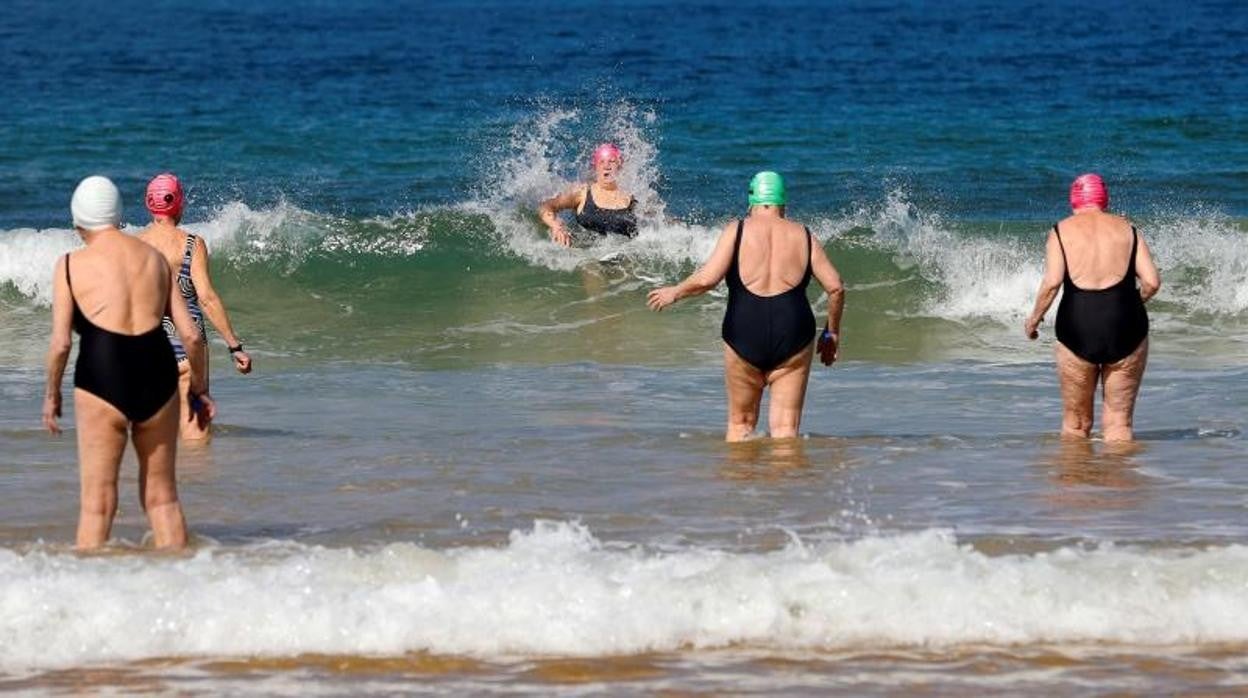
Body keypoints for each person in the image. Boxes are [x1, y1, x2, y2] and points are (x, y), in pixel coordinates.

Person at [43, 175, 214, 550]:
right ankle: (184, 588)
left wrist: (52, 394)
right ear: (119, 215)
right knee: (163, 499)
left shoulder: (69, 265)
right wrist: (199, 390)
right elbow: (193, 336)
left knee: (97, 505)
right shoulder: (155, 260)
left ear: (78, 222)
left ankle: (94, 601)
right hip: (159, 375)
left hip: (101, 379)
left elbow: (59, 344)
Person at [647, 172, 845, 441]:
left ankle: (743, 484)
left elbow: (708, 279)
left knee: (741, 424)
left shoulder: (737, 230)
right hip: (794, 334)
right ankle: (788, 482)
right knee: (786, 430)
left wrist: (675, 292)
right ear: (782, 202)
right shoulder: (804, 235)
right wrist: (831, 333)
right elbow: (835, 287)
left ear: (752, 200)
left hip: (744, 331)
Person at [1024, 173, 1161, 441]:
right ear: (1104, 200)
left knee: (1076, 426)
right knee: (1119, 425)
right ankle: (1118, 480)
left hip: (1078, 327)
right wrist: (1132, 303)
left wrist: (1033, 321)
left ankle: (1079, 479)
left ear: (1074, 200)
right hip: (1126, 326)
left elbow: (1052, 284)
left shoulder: (1060, 231)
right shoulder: (1129, 229)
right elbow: (1152, 282)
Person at [137, 173, 252, 441]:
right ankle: (198, 482)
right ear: (179, 203)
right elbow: (207, 298)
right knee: (196, 436)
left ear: (148, 203)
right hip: (187, 350)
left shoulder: (133, 246)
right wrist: (235, 347)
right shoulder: (191, 244)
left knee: (152, 441)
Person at [538, 143, 638, 245]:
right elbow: (546, 206)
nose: (606, 166)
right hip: (583, 255)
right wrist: (556, 225)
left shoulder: (631, 197)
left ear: (619, 166)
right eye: (601, 162)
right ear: (595, 167)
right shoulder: (582, 192)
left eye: (612, 161)